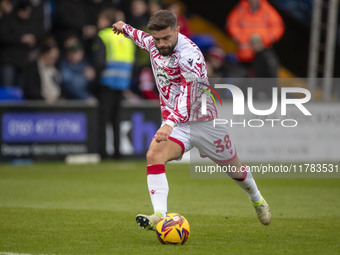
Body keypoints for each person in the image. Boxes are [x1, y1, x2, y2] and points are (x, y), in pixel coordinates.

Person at [112, 10, 271, 230]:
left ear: (177, 31)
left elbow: (190, 95)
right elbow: (141, 37)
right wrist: (124, 28)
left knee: (236, 171)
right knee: (154, 155)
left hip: (204, 122)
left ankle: (257, 199)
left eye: (166, 38)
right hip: (178, 126)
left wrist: (169, 123)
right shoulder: (154, 43)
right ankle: (159, 214)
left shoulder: (190, 54)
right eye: (157, 39)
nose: (161, 43)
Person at [94, 8, 135, 159]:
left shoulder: (104, 35)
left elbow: (99, 61)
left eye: (101, 19)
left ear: (108, 21)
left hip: (106, 82)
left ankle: (103, 153)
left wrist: (94, 82)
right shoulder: (127, 39)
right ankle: (118, 152)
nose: (99, 23)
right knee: (116, 120)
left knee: (103, 120)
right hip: (122, 83)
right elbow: (133, 63)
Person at [226, 0, 284, 64]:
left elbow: (278, 26)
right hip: (244, 55)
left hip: (262, 55)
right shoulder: (241, 8)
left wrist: (264, 40)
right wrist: (240, 38)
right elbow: (231, 24)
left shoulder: (266, 9)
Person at [23, 35, 61, 103]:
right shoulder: (33, 68)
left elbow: (60, 87)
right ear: (44, 54)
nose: (54, 60)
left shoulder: (56, 68)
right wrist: (44, 99)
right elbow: (30, 90)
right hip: (39, 105)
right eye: (52, 57)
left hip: (57, 103)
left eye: (56, 58)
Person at [59, 35, 96, 103]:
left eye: (78, 51)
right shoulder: (64, 65)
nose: (76, 54)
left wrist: (93, 78)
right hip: (70, 103)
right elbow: (69, 85)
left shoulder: (86, 65)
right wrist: (86, 97)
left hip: (86, 103)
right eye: (73, 52)